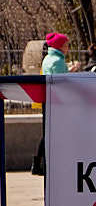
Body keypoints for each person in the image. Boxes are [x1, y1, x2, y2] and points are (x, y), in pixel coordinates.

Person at [32, 32, 70, 175]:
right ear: (60, 46)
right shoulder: (58, 61)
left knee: (47, 132)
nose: (68, 48)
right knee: (52, 133)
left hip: (48, 99)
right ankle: (44, 163)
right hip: (57, 101)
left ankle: (38, 163)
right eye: (66, 45)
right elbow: (62, 82)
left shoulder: (48, 58)